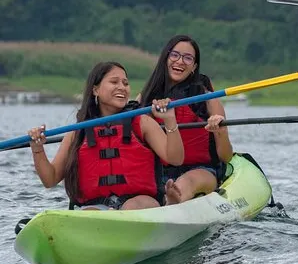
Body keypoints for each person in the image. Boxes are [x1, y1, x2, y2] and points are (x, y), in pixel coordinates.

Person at [27, 62, 184, 210]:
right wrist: (37, 148)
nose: (122, 87)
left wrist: (170, 119)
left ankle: (168, 204)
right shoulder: (79, 130)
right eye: (114, 82)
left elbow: (176, 159)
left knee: (132, 207)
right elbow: (50, 179)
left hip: (140, 203)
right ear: (96, 90)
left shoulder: (143, 122)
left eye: (125, 83)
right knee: (90, 213)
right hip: (98, 207)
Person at [138, 35, 232, 204]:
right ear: (166, 58)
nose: (180, 61)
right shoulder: (145, 100)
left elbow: (225, 157)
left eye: (188, 58)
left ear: (194, 66)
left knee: (188, 180)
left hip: (202, 170)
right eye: (175, 55)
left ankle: (174, 198)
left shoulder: (209, 99)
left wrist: (221, 132)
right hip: (159, 172)